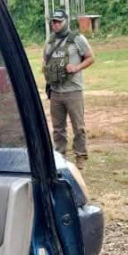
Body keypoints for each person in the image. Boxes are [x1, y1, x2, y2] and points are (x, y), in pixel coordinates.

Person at [42, 9, 94, 165]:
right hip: (56, 92)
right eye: (53, 22)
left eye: (58, 22)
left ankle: (80, 156)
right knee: (58, 128)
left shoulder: (77, 39)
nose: (55, 25)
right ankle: (60, 157)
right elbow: (45, 60)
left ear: (65, 22)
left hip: (73, 90)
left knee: (78, 126)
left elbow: (91, 57)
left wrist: (77, 68)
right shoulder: (49, 41)